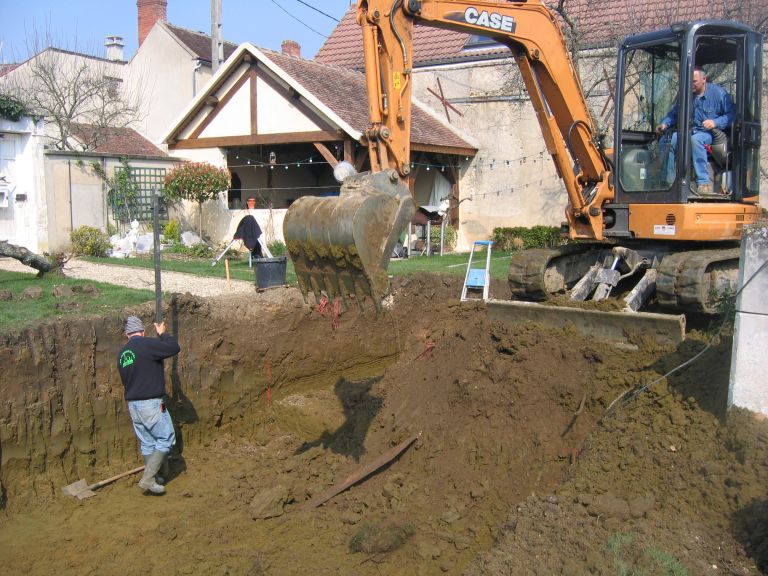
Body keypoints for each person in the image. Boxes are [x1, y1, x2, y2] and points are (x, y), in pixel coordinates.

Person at [117, 315, 181, 495]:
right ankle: (148, 478)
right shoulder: (146, 344)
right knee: (166, 439)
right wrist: (162, 334)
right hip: (150, 404)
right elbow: (173, 348)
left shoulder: (122, 355)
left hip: (133, 406)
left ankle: (156, 478)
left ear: (126, 334)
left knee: (147, 442)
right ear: (142, 332)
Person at [655, 66, 735, 195]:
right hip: (690, 131)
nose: (691, 84)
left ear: (704, 79)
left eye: (694, 81)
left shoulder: (719, 94)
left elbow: (732, 114)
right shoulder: (686, 95)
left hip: (709, 134)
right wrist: (664, 124)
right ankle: (668, 181)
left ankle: (703, 183)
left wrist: (715, 122)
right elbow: (674, 114)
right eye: (689, 81)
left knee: (695, 140)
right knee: (669, 140)